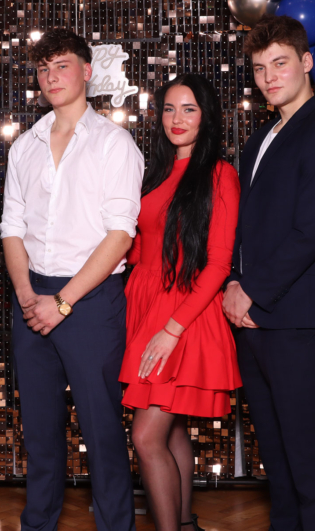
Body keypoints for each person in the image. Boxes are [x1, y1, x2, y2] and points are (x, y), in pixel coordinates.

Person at [1, 28, 144, 531]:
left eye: (61, 65)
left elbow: (120, 235)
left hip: (90, 301)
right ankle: (37, 524)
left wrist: (61, 302)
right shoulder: (25, 146)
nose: (51, 76)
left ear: (86, 71)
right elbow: (11, 227)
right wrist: (26, 294)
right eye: (43, 68)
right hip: (31, 295)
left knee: (101, 430)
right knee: (39, 432)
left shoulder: (114, 143)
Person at [222, 15, 315, 531]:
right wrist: (234, 283)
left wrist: (252, 291)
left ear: (307, 62)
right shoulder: (260, 139)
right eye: (260, 69)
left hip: (296, 320)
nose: (269, 77)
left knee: (307, 457)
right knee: (275, 460)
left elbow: (312, 231)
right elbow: (246, 227)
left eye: (280, 64)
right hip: (253, 318)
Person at [120, 74, 242, 531]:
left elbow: (219, 263)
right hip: (144, 301)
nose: (177, 119)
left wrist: (172, 329)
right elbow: (141, 245)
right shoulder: (154, 171)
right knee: (169, 430)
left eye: (189, 109)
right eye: (169, 109)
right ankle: (185, 524)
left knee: (145, 436)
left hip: (183, 313)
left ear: (206, 116)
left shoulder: (219, 174)